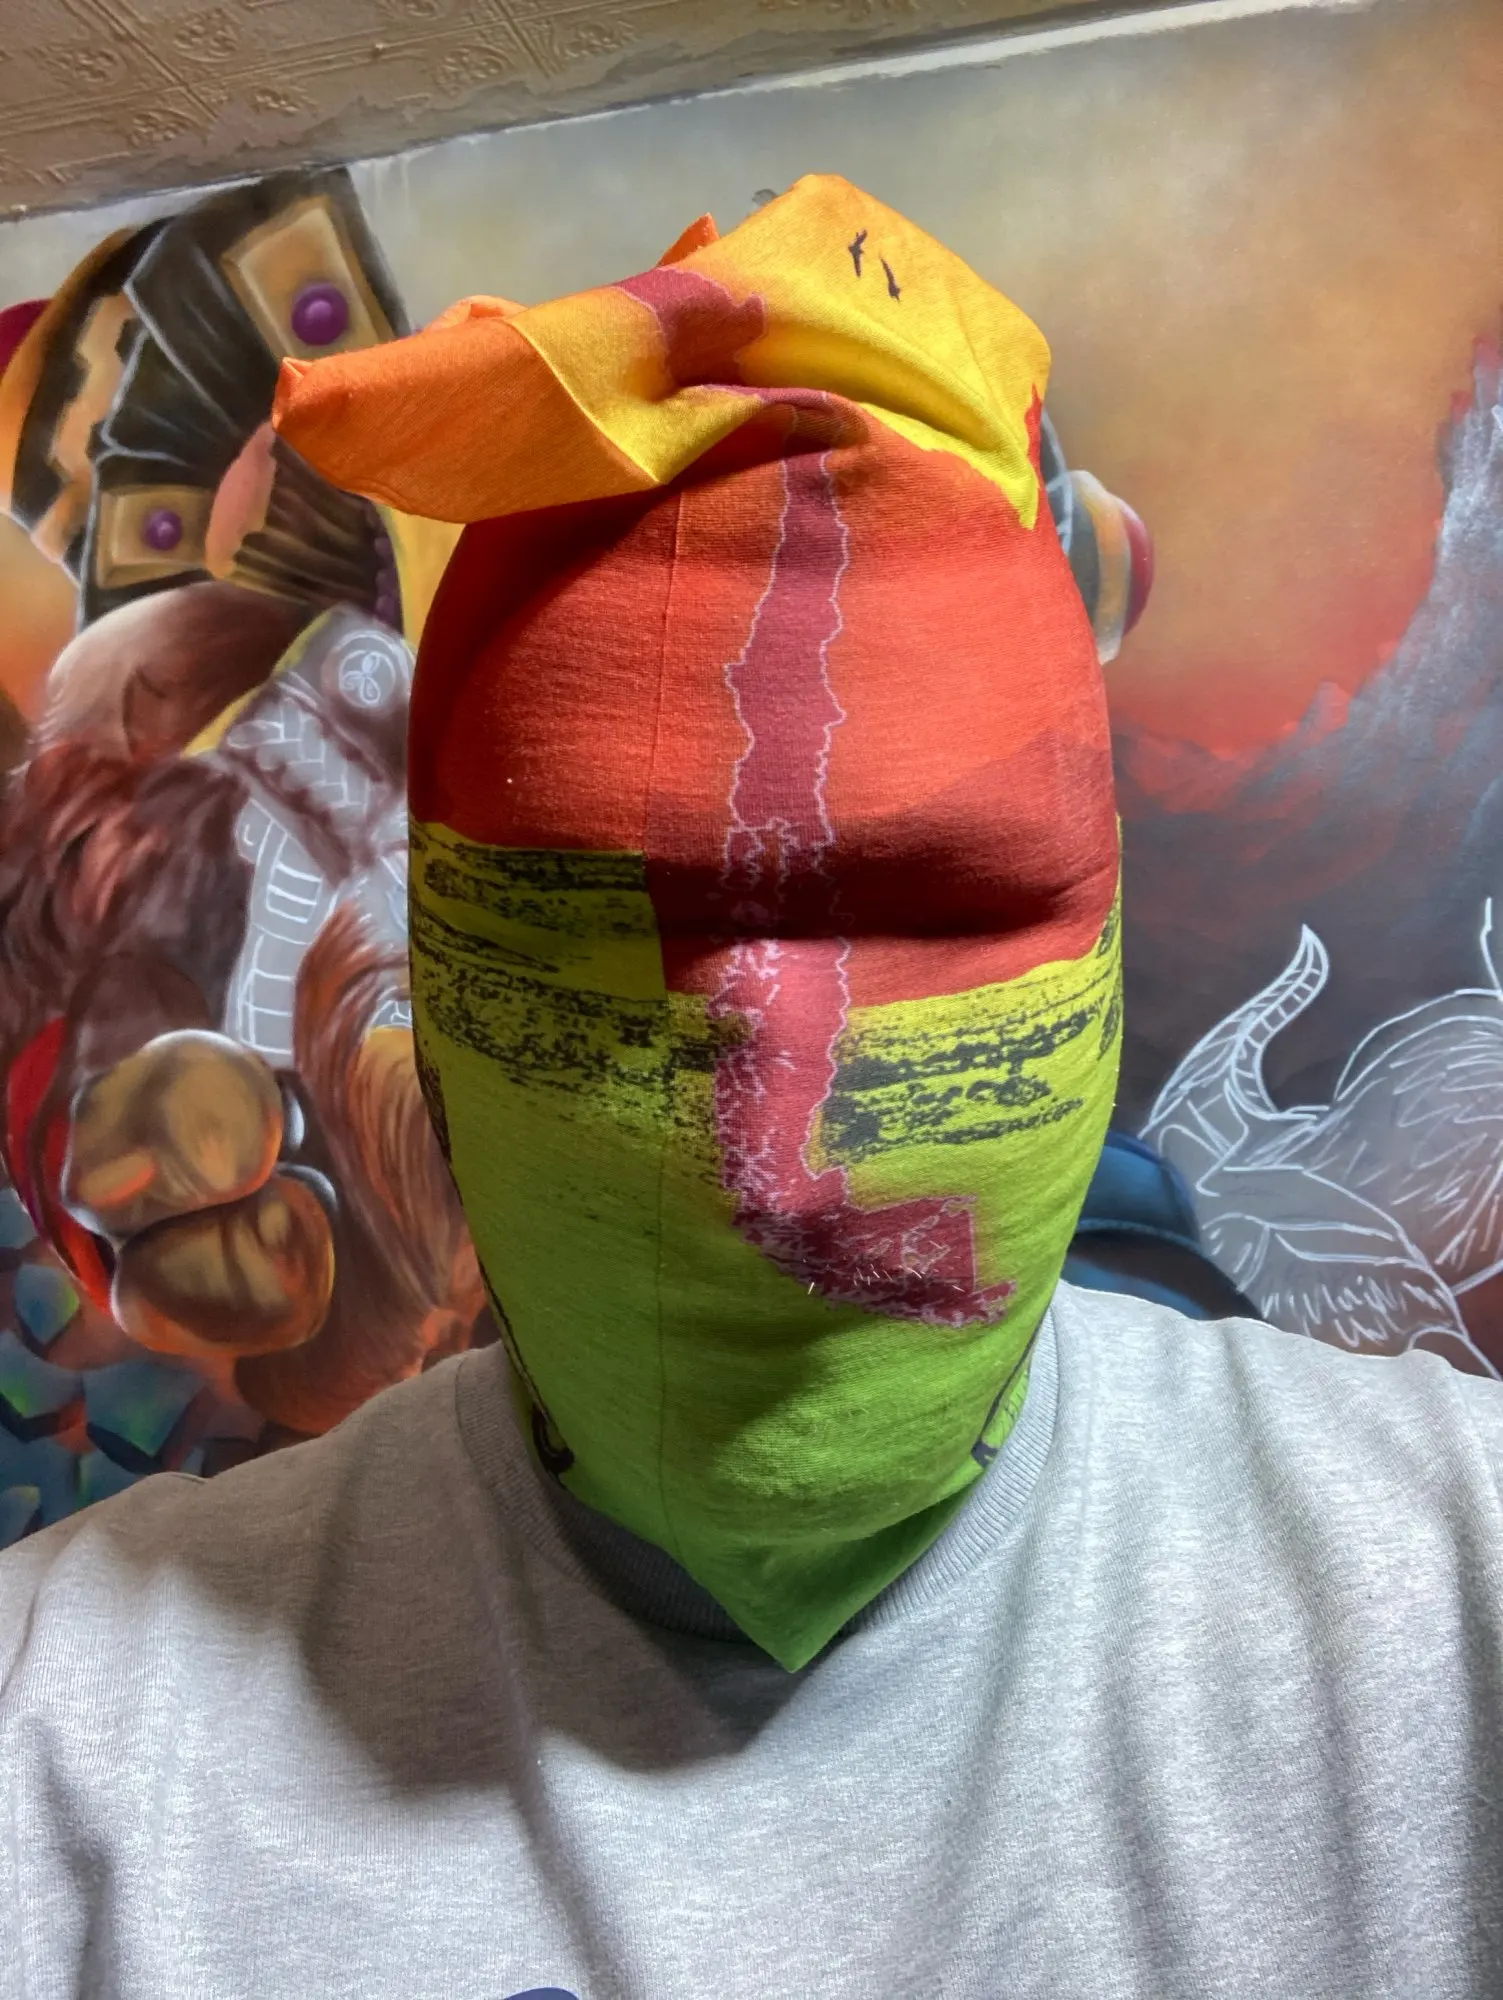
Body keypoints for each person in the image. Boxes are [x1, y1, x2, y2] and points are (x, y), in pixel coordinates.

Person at [4, 175, 1502, 2000]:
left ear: (1104, 957)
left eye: (939, 917)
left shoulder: (1453, 1605)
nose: (773, 1165)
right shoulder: (65, 1751)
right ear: (437, 1007)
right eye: (602, 943)